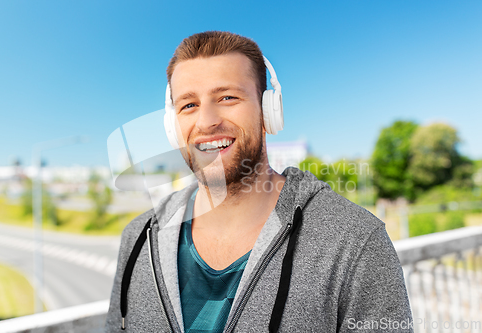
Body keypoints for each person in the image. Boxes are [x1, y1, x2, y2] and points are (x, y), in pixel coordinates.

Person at [106, 31, 413, 333]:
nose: (206, 121)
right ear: (173, 128)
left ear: (269, 111)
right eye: (189, 105)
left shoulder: (355, 242)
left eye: (227, 97)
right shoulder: (139, 239)